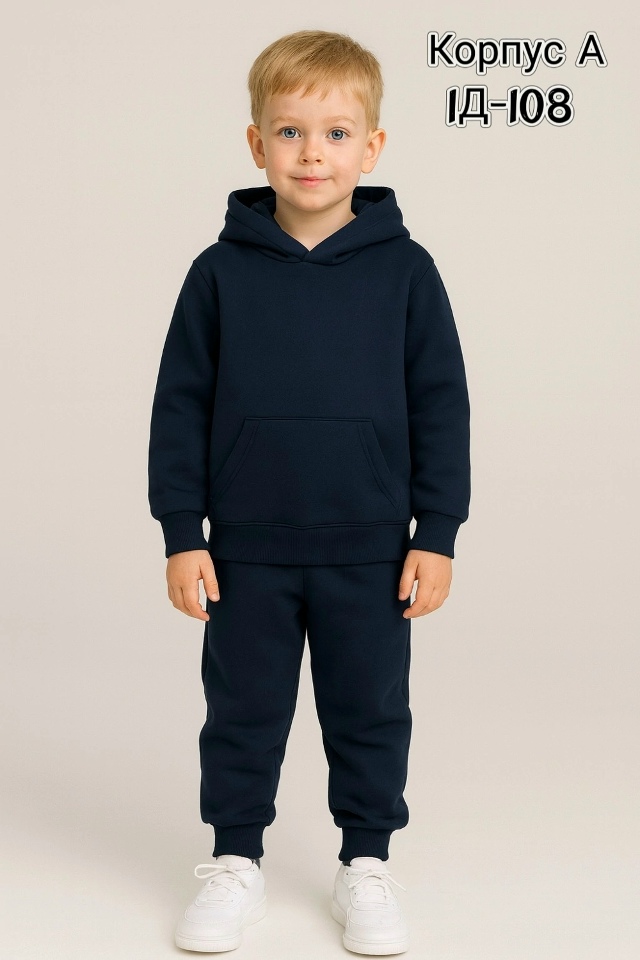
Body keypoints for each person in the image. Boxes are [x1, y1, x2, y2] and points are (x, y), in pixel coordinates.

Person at [148, 28, 471, 956]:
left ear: (372, 147)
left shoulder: (408, 273)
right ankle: (235, 861)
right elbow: (179, 407)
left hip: (371, 548)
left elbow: (442, 405)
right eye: (289, 132)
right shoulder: (218, 274)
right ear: (257, 144)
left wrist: (437, 532)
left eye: (336, 134)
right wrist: (182, 532)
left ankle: (365, 862)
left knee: (370, 710)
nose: (312, 154)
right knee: (242, 710)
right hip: (245, 548)